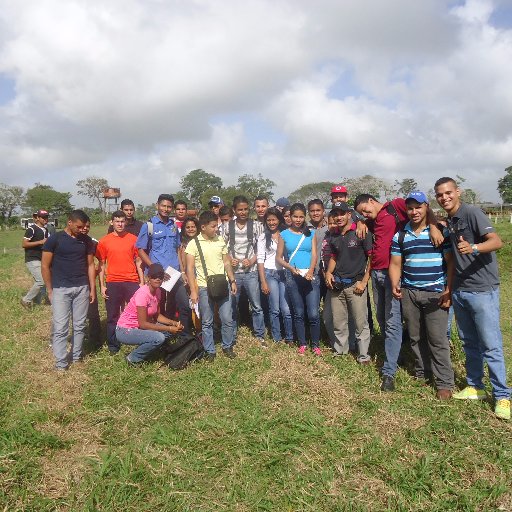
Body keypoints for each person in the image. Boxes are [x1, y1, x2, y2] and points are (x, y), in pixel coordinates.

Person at [435, 177, 510, 419]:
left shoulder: (472, 212)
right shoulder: (452, 221)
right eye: (439, 194)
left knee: (491, 345)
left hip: (482, 290)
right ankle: (475, 386)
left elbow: (497, 241)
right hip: (460, 289)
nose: (444, 197)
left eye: (448, 193)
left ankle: (502, 396)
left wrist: (474, 248)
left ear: (458, 192)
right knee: (469, 342)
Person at [354, 193, 443, 392]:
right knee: (383, 319)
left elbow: (422, 209)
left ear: (371, 201)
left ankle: (389, 371)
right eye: (362, 213)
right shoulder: (373, 221)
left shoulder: (395, 206)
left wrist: (435, 226)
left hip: (393, 274)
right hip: (376, 275)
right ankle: (398, 355)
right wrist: (361, 222)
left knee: (393, 323)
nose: (366, 214)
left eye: (365, 210)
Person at [389, 191, 455, 399]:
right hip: (410, 291)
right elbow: (395, 263)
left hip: (435, 292)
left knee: (437, 339)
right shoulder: (401, 235)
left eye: (418, 207)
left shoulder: (439, 232)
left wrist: (448, 289)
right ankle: (422, 372)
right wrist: (394, 283)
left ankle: (444, 382)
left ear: (426, 206)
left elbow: (451, 262)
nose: (414, 211)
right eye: (410, 208)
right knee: (416, 337)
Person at [41, 210, 96, 371]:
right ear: (69, 222)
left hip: (81, 288)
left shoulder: (86, 241)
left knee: (79, 325)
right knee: (61, 327)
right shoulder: (55, 240)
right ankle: (61, 363)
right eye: (78, 226)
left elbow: (91, 265)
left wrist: (92, 288)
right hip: (61, 289)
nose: (81, 229)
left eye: (83, 227)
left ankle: (77, 356)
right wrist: (49, 290)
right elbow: (45, 265)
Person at [324, 202, 372, 363]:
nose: (339, 217)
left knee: (360, 323)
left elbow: (372, 257)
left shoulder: (361, 232)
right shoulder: (334, 235)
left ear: (349, 214)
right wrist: (328, 273)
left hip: (355, 284)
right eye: (335, 214)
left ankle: (363, 355)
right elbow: (334, 257)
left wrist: (364, 282)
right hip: (337, 285)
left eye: (342, 213)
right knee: (339, 322)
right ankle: (340, 351)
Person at [136, 194, 191, 334]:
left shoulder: (173, 225)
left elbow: (178, 249)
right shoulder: (149, 225)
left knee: (184, 305)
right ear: (157, 206)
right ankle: (162, 336)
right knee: (158, 308)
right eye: (163, 206)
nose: (166, 209)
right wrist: (154, 267)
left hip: (174, 273)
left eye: (169, 207)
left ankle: (183, 336)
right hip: (157, 275)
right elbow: (141, 250)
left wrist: (183, 271)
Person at [186, 211, 238, 360]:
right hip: (203, 286)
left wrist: (232, 280)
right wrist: (193, 291)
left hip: (223, 283)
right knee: (207, 321)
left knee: (227, 318)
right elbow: (190, 269)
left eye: (217, 226)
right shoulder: (193, 244)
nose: (217, 229)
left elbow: (226, 262)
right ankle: (210, 350)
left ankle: (227, 345)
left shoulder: (220, 240)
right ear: (203, 227)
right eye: (213, 226)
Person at [116, 263, 184, 365]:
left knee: (168, 332)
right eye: (154, 276)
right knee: (159, 337)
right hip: (125, 330)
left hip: (139, 326)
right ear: (148, 278)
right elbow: (143, 324)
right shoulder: (143, 294)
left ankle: (158, 350)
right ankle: (132, 358)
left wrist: (173, 323)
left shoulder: (158, 292)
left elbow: (157, 316)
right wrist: (169, 328)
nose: (157, 279)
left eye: (160, 276)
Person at [96, 210, 144, 354]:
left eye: (122, 221)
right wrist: (102, 285)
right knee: (112, 316)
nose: (120, 224)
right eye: (117, 221)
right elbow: (102, 265)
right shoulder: (104, 241)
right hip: (113, 282)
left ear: (126, 222)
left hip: (132, 281)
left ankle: (137, 340)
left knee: (137, 313)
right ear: (112, 222)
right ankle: (113, 345)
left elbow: (138, 261)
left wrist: (141, 282)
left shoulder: (133, 239)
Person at [276, 203, 320, 356]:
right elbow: (279, 258)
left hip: (310, 276)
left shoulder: (311, 233)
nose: (298, 219)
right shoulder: (284, 234)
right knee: (299, 313)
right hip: (293, 276)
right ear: (290, 216)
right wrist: (290, 268)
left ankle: (315, 344)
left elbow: (314, 254)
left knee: (313, 313)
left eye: (301, 216)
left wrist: (310, 270)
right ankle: (302, 343)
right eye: (295, 216)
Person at [223, 195, 266, 346]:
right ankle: (232, 334)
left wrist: (252, 260)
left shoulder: (256, 226)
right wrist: (229, 259)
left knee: (256, 305)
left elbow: (260, 249)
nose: (243, 212)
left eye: (246, 209)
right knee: (232, 305)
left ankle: (260, 334)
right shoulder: (226, 226)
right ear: (234, 210)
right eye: (240, 209)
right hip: (234, 273)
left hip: (251, 272)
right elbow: (222, 248)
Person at [257, 207, 293, 344]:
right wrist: (263, 281)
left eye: (274, 219)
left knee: (286, 308)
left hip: (284, 273)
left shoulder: (286, 234)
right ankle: (277, 337)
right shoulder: (262, 237)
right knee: (274, 308)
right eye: (269, 220)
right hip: (270, 273)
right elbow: (260, 260)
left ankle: (289, 337)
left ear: (279, 220)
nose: (271, 222)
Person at [21, 209, 49, 309]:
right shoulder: (31, 229)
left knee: (44, 281)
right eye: (43, 217)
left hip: (41, 259)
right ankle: (26, 300)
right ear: (37, 218)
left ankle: (37, 303)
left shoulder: (45, 230)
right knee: (41, 281)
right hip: (32, 259)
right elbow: (24, 244)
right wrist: (40, 242)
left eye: (47, 217)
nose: (46, 219)